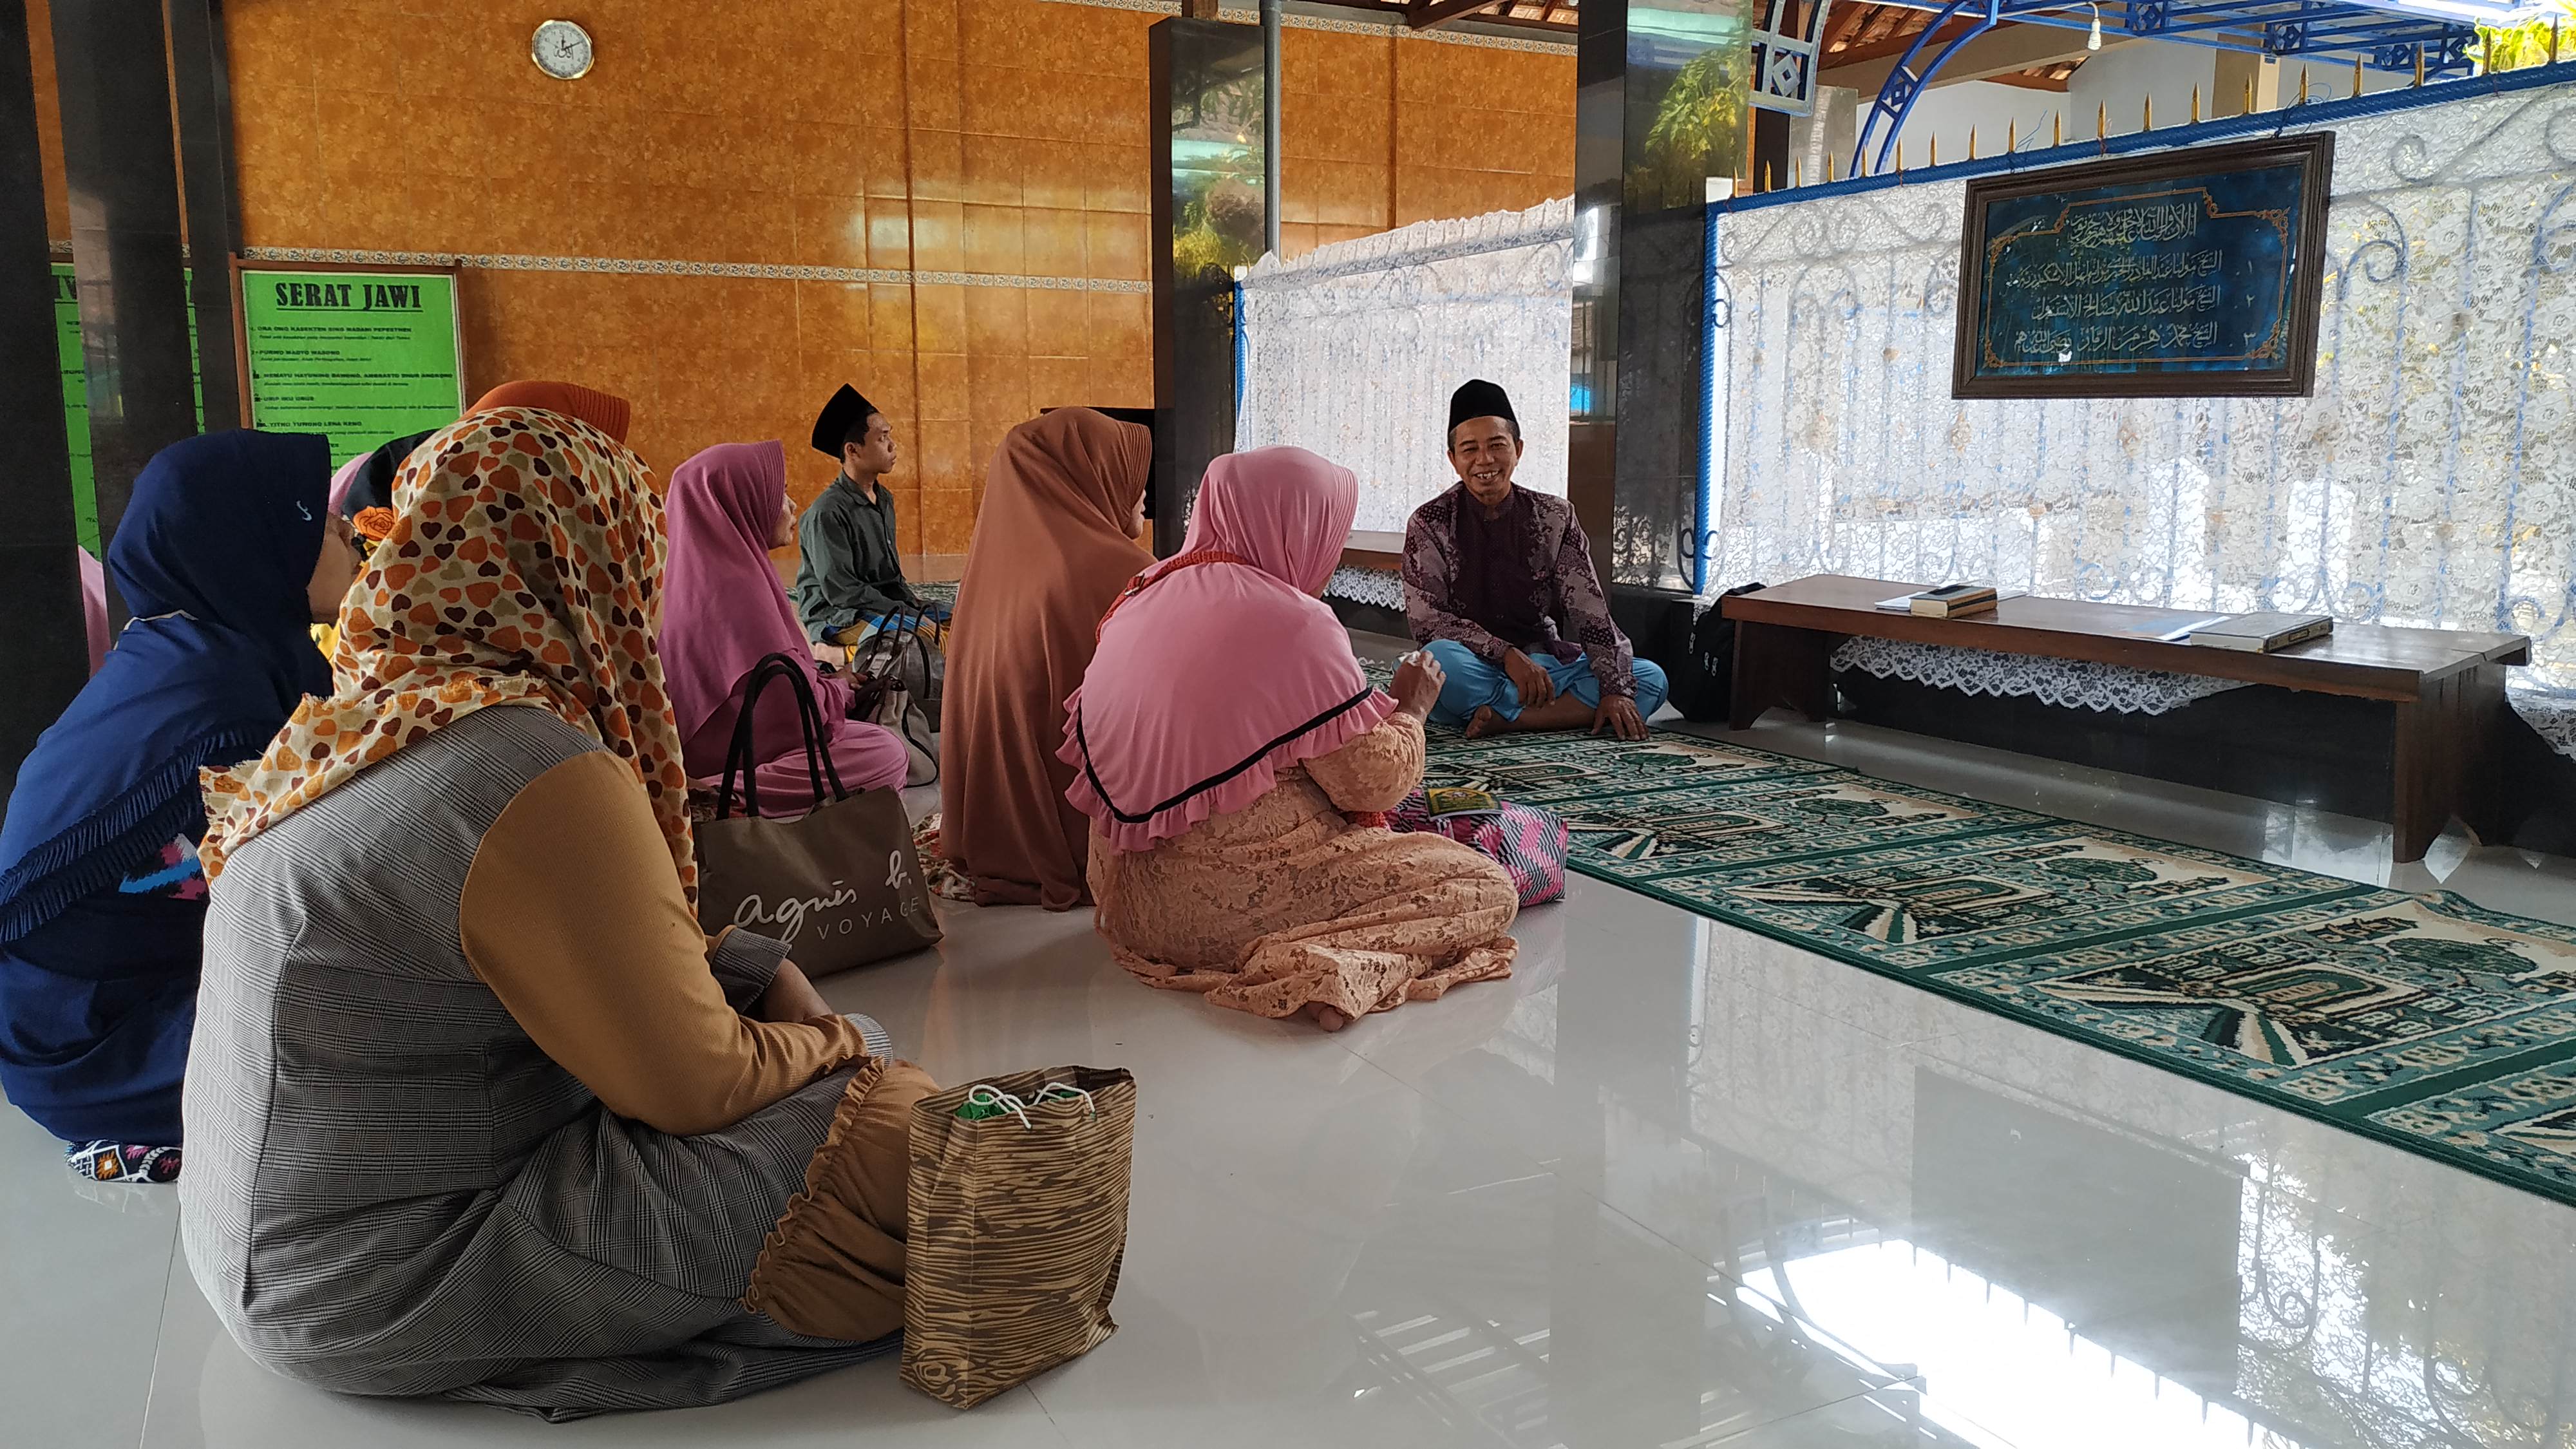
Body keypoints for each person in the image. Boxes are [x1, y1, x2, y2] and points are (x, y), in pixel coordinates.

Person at [184, 401, 935, 1417]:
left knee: (810, 1039)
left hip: (270, 1253)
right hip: (385, 1283)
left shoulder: (367, 716)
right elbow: (697, 1084)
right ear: (590, 562)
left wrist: (764, 982)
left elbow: (601, 947)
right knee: (897, 1119)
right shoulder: (524, 758)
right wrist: (838, 1041)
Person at [1, 431, 357, 1182]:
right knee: (399, 1026)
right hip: (92, 1045)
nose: (346, 530)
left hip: (63, 1014)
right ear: (254, 545)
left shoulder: (188, 650)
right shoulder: (227, 717)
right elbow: (320, 902)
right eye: (315, 519)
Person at [1066, 446, 1518, 1032]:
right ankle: (1323, 971)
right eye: (1327, 529)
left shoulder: (1140, 595)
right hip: (1229, 900)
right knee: (1484, 886)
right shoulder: (1292, 621)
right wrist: (1412, 707)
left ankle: (1321, 967)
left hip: (1127, 904)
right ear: (1295, 526)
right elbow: (1374, 786)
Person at [940, 408, 1151, 909]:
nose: (1143, 495)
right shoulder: (1117, 570)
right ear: (1086, 478)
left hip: (994, 825)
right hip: (1082, 826)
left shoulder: (993, 572)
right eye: (1130, 478)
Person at [1403, 377, 1668, 741]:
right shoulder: (1429, 522)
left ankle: (1507, 719)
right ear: (1453, 459)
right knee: (1438, 661)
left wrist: (1615, 688)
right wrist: (1506, 655)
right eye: (1470, 449)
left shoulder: (1554, 516)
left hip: (1544, 664)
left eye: (1497, 445)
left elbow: (1590, 611)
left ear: (1518, 449)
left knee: (1649, 679)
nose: (1485, 460)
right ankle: (1557, 713)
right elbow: (1428, 622)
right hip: (1473, 665)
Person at [661, 440, 908, 811]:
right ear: (742, 503)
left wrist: (826, 681)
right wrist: (838, 691)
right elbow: (792, 713)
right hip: (738, 753)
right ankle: (722, 795)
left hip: (733, 744)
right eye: (781, 494)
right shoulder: (739, 588)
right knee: (884, 752)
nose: (792, 506)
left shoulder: (699, 579)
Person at [793, 383, 944, 648]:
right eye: (882, 438)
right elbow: (843, 592)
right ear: (853, 450)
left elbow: (892, 578)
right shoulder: (826, 513)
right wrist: (905, 613)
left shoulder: (884, 499)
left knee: (964, 623)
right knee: (926, 641)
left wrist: (912, 607)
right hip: (838, 614)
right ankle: (835, 654)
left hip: (880, 604)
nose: (892, 445)